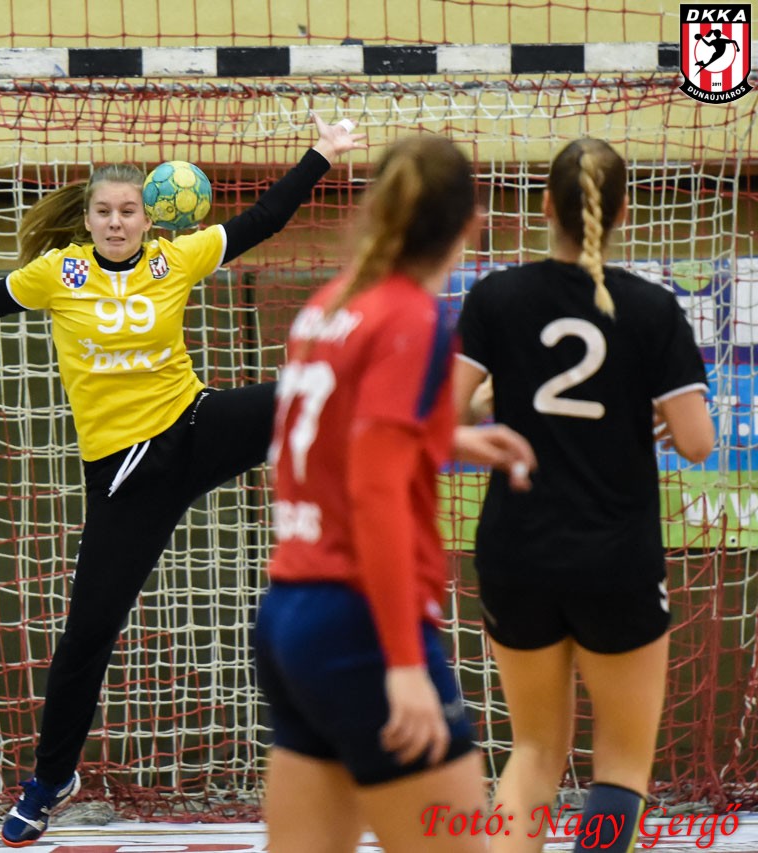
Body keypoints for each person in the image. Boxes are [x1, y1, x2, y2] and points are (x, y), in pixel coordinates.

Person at [0, 113, 365, 846]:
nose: (116, 222)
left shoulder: (175, 258)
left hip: (192, 426)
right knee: (86, 635)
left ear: (149, 218)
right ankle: (50, 780)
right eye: (104, 212)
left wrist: (321, 154)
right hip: (125, 476)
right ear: (87, 220)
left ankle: (420, 431)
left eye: (127, 211)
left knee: (312, 392)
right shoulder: (59, 274)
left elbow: (264, 220)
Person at [257, 134, 536, 853]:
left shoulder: (330, 303)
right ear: (471, 223)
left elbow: (337, 437)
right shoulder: (412, 317)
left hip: (289, 611)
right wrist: (405, 665)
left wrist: (451, 439)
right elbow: (374, 491)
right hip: (361, 622)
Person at [452, 138, 714, 853]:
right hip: (616, 560)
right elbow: (698, 442)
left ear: (545, 206)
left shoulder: (496, 296)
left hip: (516, 553)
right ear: (623, 211)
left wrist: (497, 397)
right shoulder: (652, 308)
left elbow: (444, 417)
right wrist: (654, 410)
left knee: (533, 750)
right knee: (622, 765)